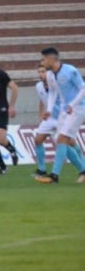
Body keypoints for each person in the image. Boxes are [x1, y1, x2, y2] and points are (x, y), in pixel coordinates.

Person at [35, 47, 85, 184]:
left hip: (77, 108)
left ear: (51, 58)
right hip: (64, 110)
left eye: (44, 59)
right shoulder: (50, 74)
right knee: (61, 139)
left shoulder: (70, 70)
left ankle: (54, 175)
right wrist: (49, 110)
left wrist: (73, 104)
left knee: (62, 138)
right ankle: (83, 170)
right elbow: (52, 93)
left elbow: (83, 88)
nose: (43, 62)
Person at [32, 62, 60, 176]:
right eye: (39, 72)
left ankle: (82, 168)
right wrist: (40, 114)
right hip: (49, 117)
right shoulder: (38, 86)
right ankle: (42, 169)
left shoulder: (56, 84)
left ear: (48, 73)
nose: (40, 74)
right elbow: (42, 100)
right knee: (38, 140)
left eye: (43, 71)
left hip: (61, 118)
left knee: (69, 145)